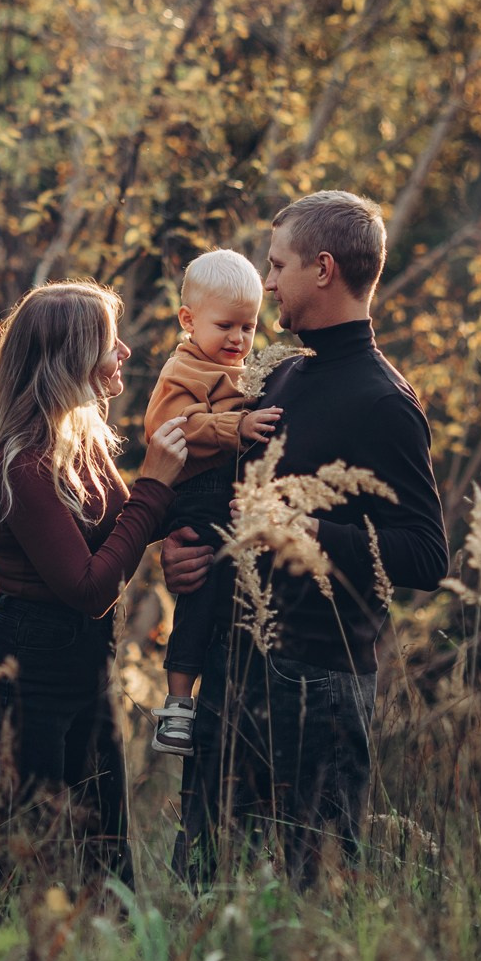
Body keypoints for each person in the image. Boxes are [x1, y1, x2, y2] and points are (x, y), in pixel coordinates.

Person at [159, 192, 449, 886]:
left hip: (319, 685)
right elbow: (222, 497)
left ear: (322, 269)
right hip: (233, 669)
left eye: (276, 263)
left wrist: (309, 529)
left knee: (303, 897)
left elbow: (425, 552)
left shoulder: (384, 400)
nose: (265, 281)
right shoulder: (280, 372)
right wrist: (178, 551)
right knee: (202, 884)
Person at [0, 280, 190, 870]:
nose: (126, 353)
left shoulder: (75, 439)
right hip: (23, 671)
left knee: (106, 855)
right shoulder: (21, 459)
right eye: (111, 341)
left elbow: (124, 530)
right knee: (20, 862)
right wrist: (155, 487)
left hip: (83, 664)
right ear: (70, 357)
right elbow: (88, 588)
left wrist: (187, 516)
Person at [143, 250, 283, 756]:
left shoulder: (244, 370)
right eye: (225, 325)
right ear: (188, 320)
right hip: (197, 496)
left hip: (229, 495)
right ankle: (177, 704)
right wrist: (236, 426)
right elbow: (171, 428)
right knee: (198, 592)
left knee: (229, 588)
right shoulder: (182, 370)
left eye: (248, 327)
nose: (237, 339)